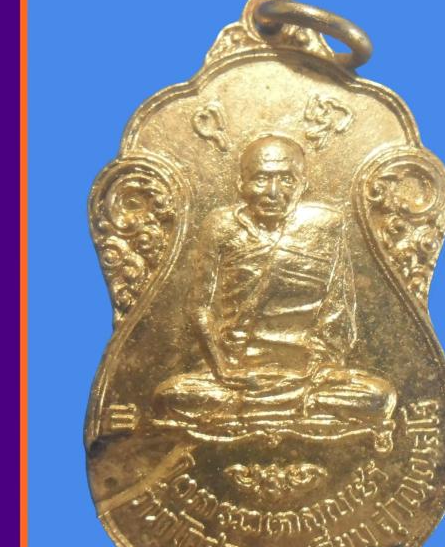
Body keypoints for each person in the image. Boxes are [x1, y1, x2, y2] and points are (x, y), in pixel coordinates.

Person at [154, 134, 396, 431]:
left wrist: (321, 367)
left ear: (303, 185)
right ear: (241, 184)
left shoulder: (325, 226)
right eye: (261, 179)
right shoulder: (220, 226)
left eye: (286, 180)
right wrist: (222, 368)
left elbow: (339, 305)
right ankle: (288, 410)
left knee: (379, 397)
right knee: (169, 396)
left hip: (308, 375)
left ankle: (256, 411)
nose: (273, 192)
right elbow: (199, 307)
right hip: (237, 373)